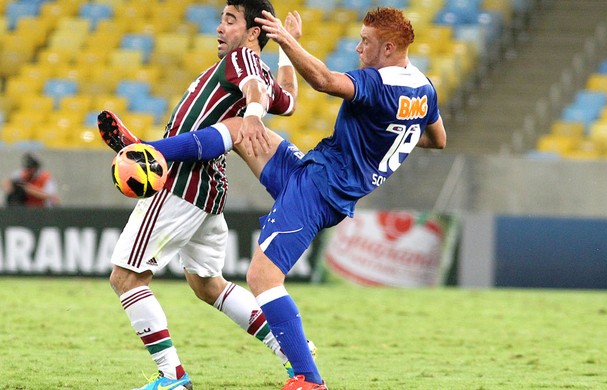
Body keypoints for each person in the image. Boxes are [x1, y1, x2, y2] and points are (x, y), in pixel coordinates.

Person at [100, 6, 447, 390]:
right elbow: (436, 139)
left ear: (389, 47)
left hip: (322, 187)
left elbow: (326, 81)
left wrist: (283, 38)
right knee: (239, 132)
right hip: (315, 169)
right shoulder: (424, 89)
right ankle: (155, 151)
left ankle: (309, 380)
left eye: (365, 42)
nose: (357, 48)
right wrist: (391, 137)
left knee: (262, 275)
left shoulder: (377, 84)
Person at [96, 1, 313, 389]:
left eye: (230, 20)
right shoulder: (258, 66)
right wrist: (286, 47)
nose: (219, 28)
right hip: (209, 190)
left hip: (180, 184)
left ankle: (172, 377)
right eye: (221, 20)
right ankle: (293, 350)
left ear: (251, 33)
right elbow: (291, 102)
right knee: (207, 285)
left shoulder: (243, 59)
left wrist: (252, 114)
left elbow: (253, 92)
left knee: (125, 278)